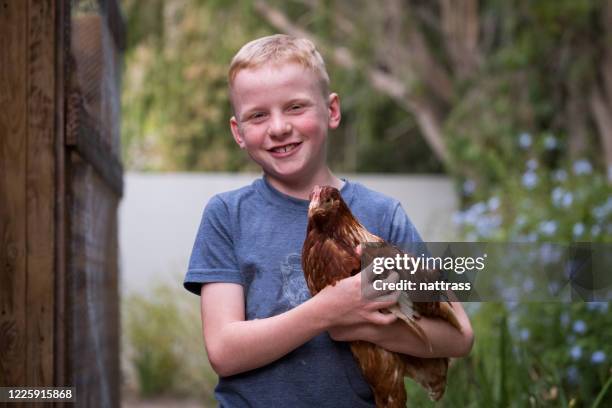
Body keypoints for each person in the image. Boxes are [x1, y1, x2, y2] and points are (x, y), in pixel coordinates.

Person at [184, 34, 473, 407]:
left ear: (332, 111)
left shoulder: (383, 214)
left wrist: (368, 327)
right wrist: (327, 311)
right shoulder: (227, 216)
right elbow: (223, 350)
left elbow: (459, 336)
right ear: (238, 132)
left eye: (295, 107)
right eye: (258, 114)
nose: (278, 127)